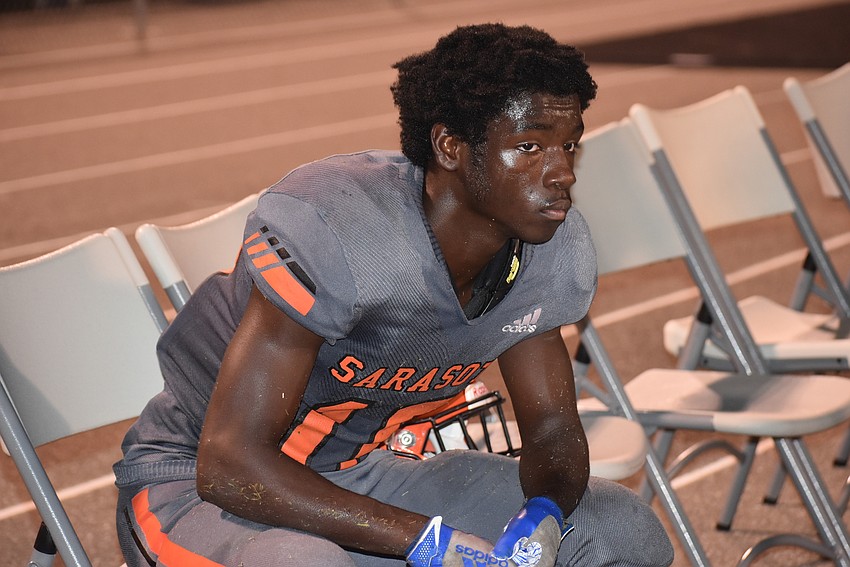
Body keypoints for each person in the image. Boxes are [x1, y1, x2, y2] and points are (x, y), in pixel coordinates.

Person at [114, 23, 674, 567]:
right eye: (529, 147)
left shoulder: (547, 248)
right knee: (303, 561)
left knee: (618, 527)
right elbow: (230, 465)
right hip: (194, 482)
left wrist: (544, 515)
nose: (562, 173)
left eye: (569, 146)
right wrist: (423, 540)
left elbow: (551, 428)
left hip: (358, 472)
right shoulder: (342, 228)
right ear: (451, 147)